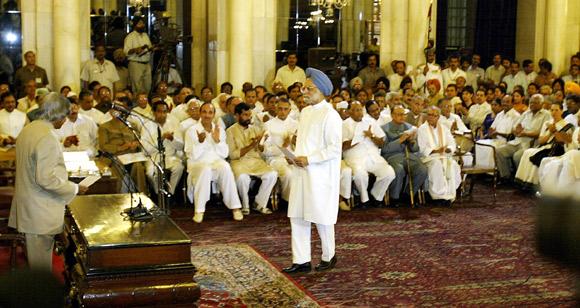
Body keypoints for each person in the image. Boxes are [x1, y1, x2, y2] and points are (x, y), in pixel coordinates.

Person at [8, 93, 88, 272]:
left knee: (36, 262)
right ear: (58, 115)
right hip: (39, 209)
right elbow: (46, 178)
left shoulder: (29, 129)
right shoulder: (47, 136)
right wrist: (75, 188)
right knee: (40, 269)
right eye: (65, 116)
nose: (65, 120)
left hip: (29, 205)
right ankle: (40, 300)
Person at [283, 67, 342, 274]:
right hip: (302, 172)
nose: (304, 92)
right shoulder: (305, 112)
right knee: (298, 215)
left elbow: (334, 148)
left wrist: (309, 159)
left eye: (309, 89)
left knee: (321, 216)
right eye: (304, 88)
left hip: (320, 174)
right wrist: (293, 154)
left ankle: (329, 255)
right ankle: (301, 260)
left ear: (321, 90)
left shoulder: (331, 115)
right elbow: (305, 141)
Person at [185, 102, 243, 223]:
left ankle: (235, 208)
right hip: (198, 163)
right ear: (200, 113)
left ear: (214, 115)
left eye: (210, 112)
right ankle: (199, 210)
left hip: (215, 161)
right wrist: (200, 142)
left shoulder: (219, 129)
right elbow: (192, 155)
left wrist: (217, 141)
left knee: (226, 167)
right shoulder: (191, 130)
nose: (207, 115)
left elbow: (224, 154)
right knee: (205, 169)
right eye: (204, 112)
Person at [226, 103, 277, 215]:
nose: (248, 118)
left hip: (256, 161)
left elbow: (262, 151)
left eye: (249, 115)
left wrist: (261, 142)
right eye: (245, 115)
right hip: (239, 162)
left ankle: (259, 203)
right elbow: (232, 155)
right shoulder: (230, 131)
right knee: (243, 178)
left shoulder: (255, 129)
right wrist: (251, 145)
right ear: (236, 116)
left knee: (272, 174)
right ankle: (245, 205)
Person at [342, 101, 395, 207]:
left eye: (360, 109)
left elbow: (381, 143)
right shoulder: (344, 125)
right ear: (349, 112)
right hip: (355, 158)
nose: (359, 112)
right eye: (356, 110)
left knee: (389, 173)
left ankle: (376, 196)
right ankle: (364, 199)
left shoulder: (370, 121)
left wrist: (372, 136)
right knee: (360, 175)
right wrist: (357, 138)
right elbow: (342, 146)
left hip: (374, 157)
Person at [514, 101, 574, 187]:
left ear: (561, 111)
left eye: (556, 110)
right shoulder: (547, 123)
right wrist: (550, 132)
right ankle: (524, 181)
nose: (554, 113)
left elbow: (562, 141)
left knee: (535, 154)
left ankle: (534, 184)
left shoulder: (567, 125)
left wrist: (555, 131)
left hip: (557, 148)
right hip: (544, 145)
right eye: (552, 110)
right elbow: (541, 141)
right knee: (528, 152)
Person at [495, 94, 551, 180]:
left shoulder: (546, 114)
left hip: (531, 143)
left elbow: (543, 132)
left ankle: (521, 179)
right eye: (530, 102)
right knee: (499, 151)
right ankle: (506, 177)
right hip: (518, 141)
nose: (532, 104)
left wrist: (526, 133)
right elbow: (514, 127)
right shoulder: (526, 113)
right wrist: (516, 130)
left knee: (517, 156)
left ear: (541, 104)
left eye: (535, 103)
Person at [380, 105, 428, 205]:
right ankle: (395, 197)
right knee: (399, 169)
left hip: (408, 155)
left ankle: (407, 194)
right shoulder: (384, 128)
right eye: (399, 114)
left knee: (422, 169)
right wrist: (400, 140)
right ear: (392, 115)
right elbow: (384, 149)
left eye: (404, 114)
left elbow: (415, 149)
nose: (402, 117)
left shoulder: (409, 127)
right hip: (392, 156)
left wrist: (412, 142)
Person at [417, 106, 461, 203]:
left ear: (438, 117)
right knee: (437, 165)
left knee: (453, 165)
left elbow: (451, 142)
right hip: (429, 157)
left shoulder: (444, 128)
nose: (431, 117)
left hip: (444, 155)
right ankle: (438, 196)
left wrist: (449, 149)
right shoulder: (422, 129)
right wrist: (436, 151)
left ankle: (449, 193)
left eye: (434, 115)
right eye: (429, 115)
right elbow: (422, 148)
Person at [141, 101, 184, 196]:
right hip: (153, 157)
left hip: (170, 156)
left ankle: (170, 193)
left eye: (165, 112)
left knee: (179, 168)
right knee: (150, 173)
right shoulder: (147, 125)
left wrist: (172, 139)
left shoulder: (174, 123)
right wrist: (160, 139)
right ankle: (157, 193)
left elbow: (181, 146)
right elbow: (145, 149)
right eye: (159, 112)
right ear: (154, 112)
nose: (162, 114)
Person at [262, 98, 298, 203]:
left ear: (290, 110)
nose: (282, 112)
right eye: (280, 109)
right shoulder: (268, 125)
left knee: (305, 171)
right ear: (276, 109)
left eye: (285, 109)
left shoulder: (296, 124)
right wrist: (283, 147)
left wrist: (294, 146)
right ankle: (288, 201)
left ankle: (302, 200)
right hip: (275, 158)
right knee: (288, 174)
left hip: (293, 157)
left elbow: (301, 145)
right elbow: (266, 150)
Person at [124, 17, 153, 94]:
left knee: (148, 86)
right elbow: (126, 51)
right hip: (136, 64)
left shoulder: (145, 35)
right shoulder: (130, 37)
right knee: (137, 87)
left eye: (143, 23)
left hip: (146, 63)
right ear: (135, 25)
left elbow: (149, 47)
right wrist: (136, 49)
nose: (142, 25)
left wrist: (151, 49)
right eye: (140, 23)